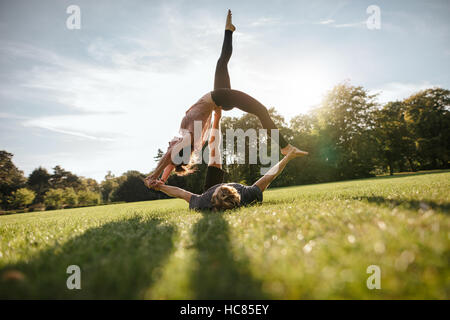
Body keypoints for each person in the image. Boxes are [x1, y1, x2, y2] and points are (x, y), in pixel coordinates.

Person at [145, 10, 307, 188]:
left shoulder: (185, 136)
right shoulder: (188, 138)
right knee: (261, 110)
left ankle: (228, 30)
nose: (169, 143)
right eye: (171, 146)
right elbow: (171, 157)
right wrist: (153, 174)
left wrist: (162, 179)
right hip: (218, 98)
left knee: (222, 62)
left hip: (220, 100)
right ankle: (285, 147)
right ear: (178, 149)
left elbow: (172, 162)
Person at [149, 108, 307, 211]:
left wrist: (160, 186)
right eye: (228, 188)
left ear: (214, 195)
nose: (224, 185)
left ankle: (217, 117)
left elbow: (181, 193)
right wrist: (288, 157)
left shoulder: (203, 202)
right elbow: (269, 176)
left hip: (209, 190)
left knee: (213, 148)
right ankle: (217, 117)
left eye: (221, 189)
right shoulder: (247, 194)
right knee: (214, 148)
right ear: (236, 192)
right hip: (225, 197)